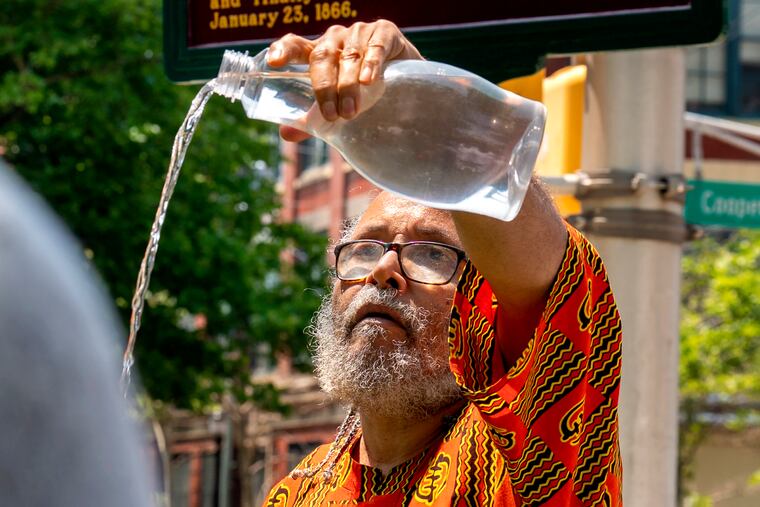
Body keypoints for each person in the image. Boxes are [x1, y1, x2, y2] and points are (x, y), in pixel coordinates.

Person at [262, 21, 622, 506]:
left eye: (431, 254)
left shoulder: (530, 448)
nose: (383, 271)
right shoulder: (301, 490)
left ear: (485, 312)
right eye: (365, 248)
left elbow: (549, 283)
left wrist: (439, 115)